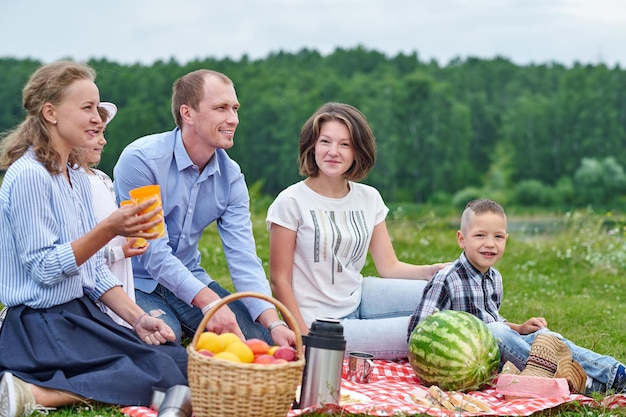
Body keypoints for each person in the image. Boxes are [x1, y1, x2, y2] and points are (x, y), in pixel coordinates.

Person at [0, 60, 188, 417]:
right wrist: (109, 229)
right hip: (39, 325)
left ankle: (36, 388)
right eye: (87, 108)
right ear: (51, 112)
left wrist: (137, 318)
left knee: (176, 362)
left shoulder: (73, 173)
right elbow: (44, 269)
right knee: (159, 373)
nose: (98, 119)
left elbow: (92, 271)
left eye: (97, 108)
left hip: (76, 315)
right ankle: (36, 394)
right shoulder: (29, 176)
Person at [113, 69, 295, 347]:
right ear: (187, 113)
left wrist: (275, 322)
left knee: (264, 342)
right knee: (162, 342)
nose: (233, 119)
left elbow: (243, 257)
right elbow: (153, 253)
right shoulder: (142, 160)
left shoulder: (231, 176)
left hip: (189, 277)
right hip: (134, 281)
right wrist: (210, 303)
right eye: (221, 108)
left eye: (234, 108)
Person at [266, 102, 448, 359]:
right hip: (322, 324)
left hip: (361, 297)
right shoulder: (291, 201)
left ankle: (511, 333)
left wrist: (431, 271)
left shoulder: (369, 198)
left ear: (357, 152)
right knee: (430, 331)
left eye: (344, 144)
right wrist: (303, 335)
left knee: (447, 294)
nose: (333, 152)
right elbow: (279, 280)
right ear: (312, 146)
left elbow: (389, 266)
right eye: (325, 142)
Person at [407, 198, 626, 395]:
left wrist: (520, 329)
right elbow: (418, 332)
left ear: (506, 239)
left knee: (547, 336)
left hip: (499, 342)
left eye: (498, 236)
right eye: (480, 235)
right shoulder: (447, 278)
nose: (490, 243)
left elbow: (494, 320)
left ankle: (613, 373)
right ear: (462, 239)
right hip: (471, 358)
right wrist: (446, 354)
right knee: (496, 332)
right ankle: (571, 380)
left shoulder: (495, 278)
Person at [79, 102, 149, 328]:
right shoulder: (73, 182)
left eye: (102, 133)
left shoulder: (102, 178)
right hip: (94, 289)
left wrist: (125, 247)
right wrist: (118, 252)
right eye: (94, 133)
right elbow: (83, 250)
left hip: (117, 275)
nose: (103, 140)